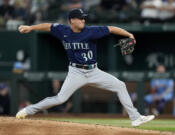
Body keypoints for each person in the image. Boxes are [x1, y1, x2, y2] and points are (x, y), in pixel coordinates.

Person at [16, 8, 154, 127]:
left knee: (120, 85)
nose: (83, 20)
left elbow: (111, 29)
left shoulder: (91, 31)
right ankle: (28, 111)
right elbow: (48, 26)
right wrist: (31, 27)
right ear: (71, 20)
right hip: (75, 72)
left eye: (84, 18)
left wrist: (129, 34)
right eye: (80, 18)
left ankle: (135, 118)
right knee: (60, 99)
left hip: (94, 71)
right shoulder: (62, 30)